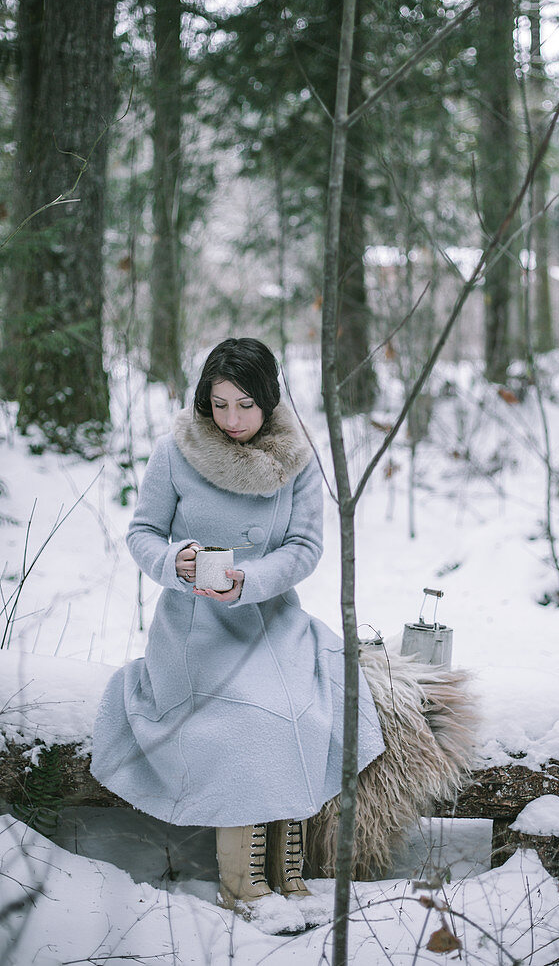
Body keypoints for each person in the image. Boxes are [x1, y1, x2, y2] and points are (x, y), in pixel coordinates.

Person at [91, 338, 385, 933]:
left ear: (269, 401)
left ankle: (289, 868)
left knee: (309, 709)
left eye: (245, 405)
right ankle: (243, 882)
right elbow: (143, 533)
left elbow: (305, 548)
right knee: (246, 718)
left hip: (272, 618)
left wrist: (251, 580)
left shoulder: (296, 457)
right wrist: (179, 560)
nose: (230, 420)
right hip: (194, 628)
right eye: (219, 404)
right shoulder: (176, 450)